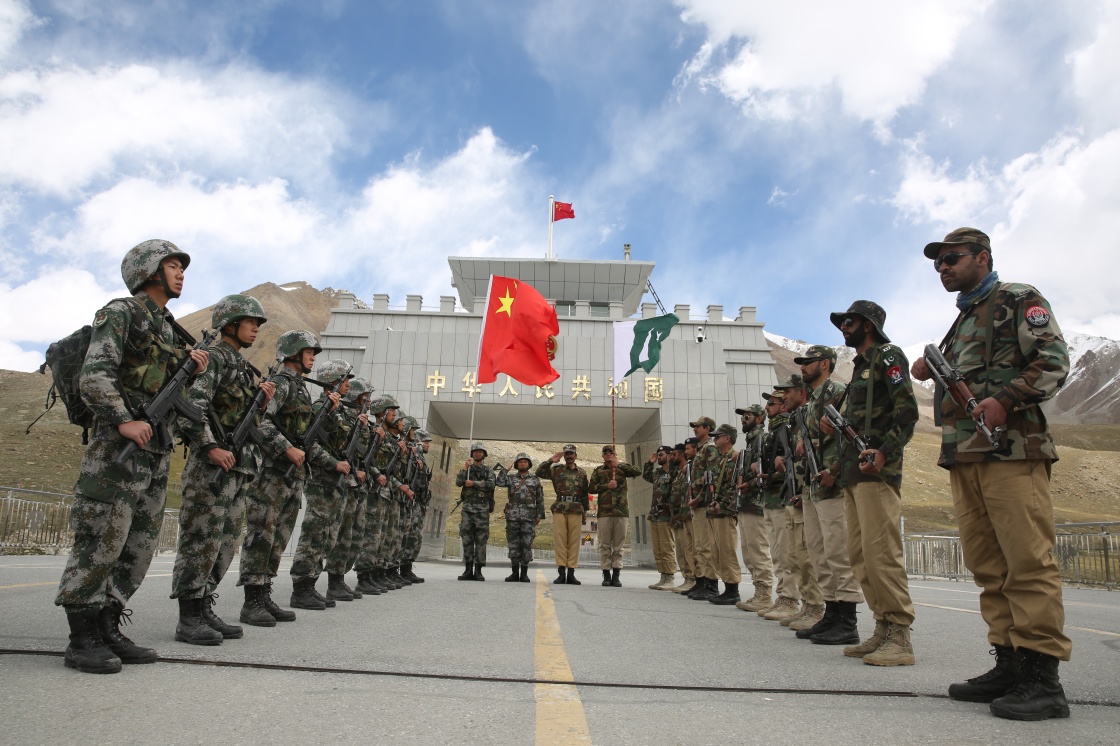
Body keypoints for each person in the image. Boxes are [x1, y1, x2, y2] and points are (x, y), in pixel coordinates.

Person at [912, 227, 1071, 720]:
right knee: (989, 568)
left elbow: (1052, 361)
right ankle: (1008, 663)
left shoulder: (1017, 299)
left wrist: (1003, 401)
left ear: (982, 257)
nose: (943, 267)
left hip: (1013, 452)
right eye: (937, 262)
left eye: (952, 259)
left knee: (1027, 564)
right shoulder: (959, 322)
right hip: (966, 456)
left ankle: (1043, 679)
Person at [55, 239, 208, 674]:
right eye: (172, 265)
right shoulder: (121, 312)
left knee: (137, 547)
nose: (180, 273)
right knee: (101, 540)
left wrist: (191, 370)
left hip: (156, 452)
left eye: (182, 266)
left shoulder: (169, 328)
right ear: (147, 271)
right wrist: (123, 418)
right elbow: (96, 373)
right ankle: (81, 637)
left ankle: (108, 625)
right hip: (118, 451)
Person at [171, 294, 274, 645]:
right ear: (230, 324)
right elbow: (193, 405)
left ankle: (204, 606)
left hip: (238, 468)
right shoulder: (215, 359)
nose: (256, 329)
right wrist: (209, 446)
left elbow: (244, 421)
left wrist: (261, 402)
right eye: (251, 323)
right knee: (201, 540)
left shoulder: (244, 368)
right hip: (211, 467)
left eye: (258, 324)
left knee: (225, 543)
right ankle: (189, 617)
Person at [822, 300, 918, 666]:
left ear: (868, 324)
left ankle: (900, 635)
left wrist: (885, 452)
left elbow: (907, 411)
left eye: (849, 321)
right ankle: (881, 627)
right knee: (861, 556)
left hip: (876, 471)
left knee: (882, 555)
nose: (843, 327)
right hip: (853, 474)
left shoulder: (887, 355)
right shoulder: (859, 368)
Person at [237, 330, 333, 626]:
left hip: (291, 477)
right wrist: (286, 448)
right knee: (261, 533)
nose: (313, 358)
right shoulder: (280, 384)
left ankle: (265, 593)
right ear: (293, 352)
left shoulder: (300, 387)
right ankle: (251, 601)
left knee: (278, 537)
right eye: (308, 351)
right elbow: (259, 422)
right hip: (271, 473)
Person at [793, 345, 863, 645]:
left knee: (838, 551)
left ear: (825, 363)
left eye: (807, 363)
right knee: (819, 553)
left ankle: (847, 621)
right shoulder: (810, 404)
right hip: (813, 484)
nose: (802, 367)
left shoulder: (838, 391)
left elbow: (851, 434)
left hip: (832, 483)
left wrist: (833, 470)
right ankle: (831, 614)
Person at [288, 361, 354, 609]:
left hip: (334, 482)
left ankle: (311, 583)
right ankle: (301, 587)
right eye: (345, 379)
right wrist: (333, 463)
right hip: (320, 479)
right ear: (332, 382)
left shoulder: (334, 410)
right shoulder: (318, 408)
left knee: (327, 535)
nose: (349, 385)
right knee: (314, 534)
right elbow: (308, 442)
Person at [774, 376, 824, 630]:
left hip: (808, 495)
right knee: (794, 556)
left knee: (807, 556)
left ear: (801, 392)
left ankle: (816, 607)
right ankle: (807, 605)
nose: (783, 397)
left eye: (787, 392)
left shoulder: (809, 416)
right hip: (795, 495)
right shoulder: (795, 421)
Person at [323, 378, 373, 601]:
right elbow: (340, 445)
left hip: (353, 480)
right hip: (337, 477)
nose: (369, 402)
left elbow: (360, 452)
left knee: (349, 535)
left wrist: (362, 428)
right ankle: (324, 582)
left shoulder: (356, 418)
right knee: (334, 533)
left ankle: (338, 579)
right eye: (365, 397)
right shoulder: (335, 411)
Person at [753, 392, 801, 620]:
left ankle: (790, 599)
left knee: (785, 553)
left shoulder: (786, 428)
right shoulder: (773, 431)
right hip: (771, 498)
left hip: (782, 498)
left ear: (783, 406)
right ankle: (783, 596)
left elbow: (791, 464)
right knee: (776, 553)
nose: (767, 406)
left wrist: (772, 473)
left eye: (771, 403)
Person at [734, 405, 774, 612]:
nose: (743, 419)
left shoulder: (762, 439)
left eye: (747, 416)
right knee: (748, 552)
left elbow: (765, 468)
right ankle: (758, 592)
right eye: (742, 416)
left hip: (757, 502)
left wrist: (749, 481)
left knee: (758, 550)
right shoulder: (750, 442)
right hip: (746, 502)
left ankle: (765, 594)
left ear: (759, 419)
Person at [589, 445, 642, 587]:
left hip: (621, 512)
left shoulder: (622, 468)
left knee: (619, 545)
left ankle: (616, 574)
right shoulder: (598, 471)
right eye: (605, 453)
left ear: (614, 454)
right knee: (605, 544)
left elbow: (637, 471)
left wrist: (620, 465)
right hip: (605, 512)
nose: (608, 454)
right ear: (602, 456)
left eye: (610, 452)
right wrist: (607, 485)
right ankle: (606, 573)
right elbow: (591, 488)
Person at [537, 445, 590, 585]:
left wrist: (585, 511)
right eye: (567, 454)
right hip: (560, 508)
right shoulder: (556, 469)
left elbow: (584, 494)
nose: (569, 456)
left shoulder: (582, 473)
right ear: (564, 456)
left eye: (571, 454)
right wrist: (550, 460)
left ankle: (571, 572)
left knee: (573, 542)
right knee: (560, 541)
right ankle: (561, 572)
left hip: (576, 509)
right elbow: (539, 472)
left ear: (575, 455)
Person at [705, 424, 744, 605]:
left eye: (717, 436)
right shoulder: (720, 460)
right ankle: (726, 587)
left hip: (725, 511)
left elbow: (734, 487)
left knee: (727, 551)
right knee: (716, 551)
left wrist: (723, 504)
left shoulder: (734, 458)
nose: (714, 439)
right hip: (715, 511)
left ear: (727, 438)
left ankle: (732, 590)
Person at [495, 453, 546, 582]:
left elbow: (539, 498)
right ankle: (514, 573)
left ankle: (524, 573)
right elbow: (499, 482)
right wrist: (505, 470)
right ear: (517, 464)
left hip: (529, 517)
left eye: (525, 462)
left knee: (526, 544)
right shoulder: (511, 478)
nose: (523, 464)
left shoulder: (535, 480)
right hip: (513, 516)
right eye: (520, 462)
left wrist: (539, 515)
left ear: (529, 464)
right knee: (513, 545)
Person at [685, 416, 720, 601]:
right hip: (697, 504)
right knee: (699, 546)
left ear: (707, 429)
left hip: (704, 502)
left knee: (706, 546)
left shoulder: (710, 448)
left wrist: (698, 496)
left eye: (697, 427)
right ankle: (703, 582)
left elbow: (711, 477)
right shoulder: (700, 450)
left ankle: (711, 584)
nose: (695, 430)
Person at [455, 442, 495, 581]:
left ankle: (478, 570)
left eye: (480, 452)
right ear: (472, 454)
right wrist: (464, 468)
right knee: (467, 539)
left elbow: (490, 484)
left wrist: (475, 483)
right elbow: (459, 482)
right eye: (475, 451)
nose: (477, 453)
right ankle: (468, 569)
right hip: (467, 509)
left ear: (484, 454)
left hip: (482, 509)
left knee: (481, 540)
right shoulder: (467, 469)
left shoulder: (488, 470)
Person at [642, 446, 678, 590]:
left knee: (666, 546)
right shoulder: (657, 472)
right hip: (655, 514)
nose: (659, 457)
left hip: (666, 515)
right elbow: (646, 476)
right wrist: (650, 463)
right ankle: (662, 576)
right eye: (658, 455)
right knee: (657, 548)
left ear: (669, 456)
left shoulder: (673, 472)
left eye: (661, 455)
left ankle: (669, 577)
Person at [668, 441, 698, 593]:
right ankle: (687, 578)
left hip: (685, 514)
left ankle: (693, 579)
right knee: (680, 550)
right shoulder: (678, 472)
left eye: (674, 454)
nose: (671, 457)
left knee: (689, 549)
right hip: (677, 516)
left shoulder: (688, 470)